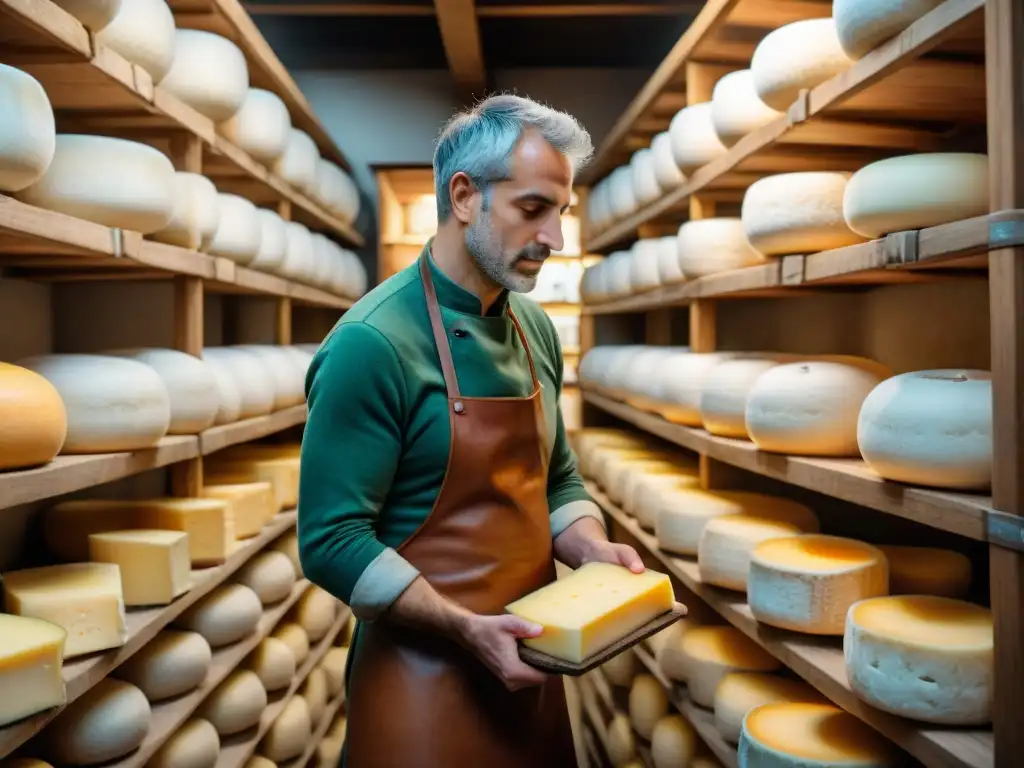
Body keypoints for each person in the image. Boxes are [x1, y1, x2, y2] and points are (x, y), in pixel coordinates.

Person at [298, 93, 644, 767]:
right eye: (533, 209)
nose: (555, 239)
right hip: (420, 682)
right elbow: (330, 540)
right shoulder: (372, 344)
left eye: (560, 213)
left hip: (531, 668)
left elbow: (558, 479)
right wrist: (465, 627)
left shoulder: (532, 327)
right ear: (464, 197)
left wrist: (593, 550)